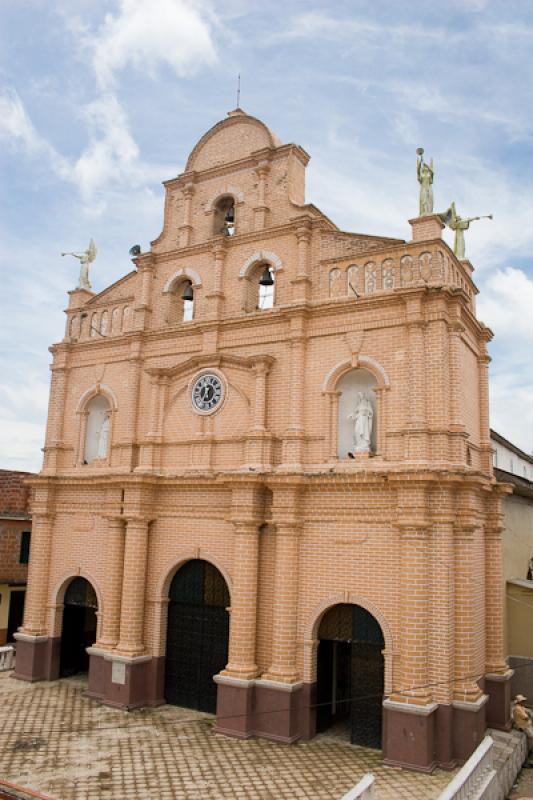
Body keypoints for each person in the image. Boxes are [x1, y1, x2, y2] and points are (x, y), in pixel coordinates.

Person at [512, 695, 533, 764]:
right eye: (523, 701)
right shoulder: (517, 709)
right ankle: (530, 751)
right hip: (523, 726)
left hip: (526, 724)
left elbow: (527, 711)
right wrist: (529, 715)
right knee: (531, 736)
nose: (524, 702)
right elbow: (526, 717)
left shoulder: (521, 707)